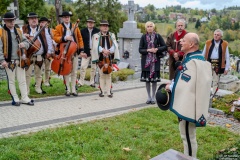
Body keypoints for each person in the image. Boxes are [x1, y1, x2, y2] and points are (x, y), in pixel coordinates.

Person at [165, 33, 212, 158]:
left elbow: (186, 85)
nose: (180, 42)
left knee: (188, 137)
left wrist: (170, 87)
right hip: (191, 104)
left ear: (191, 44)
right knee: (189, 136)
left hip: (188, 107)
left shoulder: (192, 62)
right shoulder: (197, 59)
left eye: (183, 40)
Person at [0, 12, 34, 106]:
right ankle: (15, 98)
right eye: (9, 20)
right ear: (5, 21)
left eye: (13, 20)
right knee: (11, 81)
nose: (12, 22)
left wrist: (24, 44)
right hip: (8, 61)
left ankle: (24, 98)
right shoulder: (1, 32)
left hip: (20, 59)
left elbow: (27, 41)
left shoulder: (19, 31)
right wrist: (2, 60)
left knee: (22, 80)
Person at [53, 11, 84, 96]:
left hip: (74, 52)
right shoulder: (59, 27)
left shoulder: (75, 26)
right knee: (66, 71)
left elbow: (80, 38)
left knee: (74, 71)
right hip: (64, 53)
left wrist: (81, 49)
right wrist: (65, 37)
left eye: (68, 17)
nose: (67, 18)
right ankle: (67, 89)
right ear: (62, 18)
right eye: (65, 17)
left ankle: (73, 89)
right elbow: (55, 38)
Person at [22, 13, 53, 94]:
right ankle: (26, 90)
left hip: (39, 55)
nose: (34, 20)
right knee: (27, 74)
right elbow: (19, 40)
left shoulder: (43, 29)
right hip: (28, 55)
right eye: (32, 18)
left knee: (39, 73)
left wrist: (49, 51)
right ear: (28, 20)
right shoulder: (23, 29)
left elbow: (49, 40)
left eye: (35, 18)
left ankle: (38, 88)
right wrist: (23, 35)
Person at [139, 21, 167, 104]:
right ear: (146, 28)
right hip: (146, 62)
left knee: (154, 81)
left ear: (153, 27)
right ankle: (149, 97)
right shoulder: (143, 37)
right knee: (147, 81)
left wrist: (157, 49)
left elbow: (164, 46)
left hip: (155, 62)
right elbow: (140, 49)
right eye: (148, 26)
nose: (149, 28)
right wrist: (148, 50)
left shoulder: (157, 36)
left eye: (151, 26)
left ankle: (153, 97)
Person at [91, 20, 120, 98]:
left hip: (109, 57)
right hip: (101, 57)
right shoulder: (96, 36)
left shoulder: (112, 35)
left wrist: (109, 51)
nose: (105, 27)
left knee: (109, 75)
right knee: (102, 75)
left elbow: (115, 45)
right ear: (100, 27)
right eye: (103, 26)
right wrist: (103, 50)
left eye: (106, 26)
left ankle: (109, 92)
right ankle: (102, 92)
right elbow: (95, 46)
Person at [202, 29, 230, 96]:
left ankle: (213, 94)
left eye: (218, 35)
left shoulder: (224, 44)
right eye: (215, 34)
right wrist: (201, 63)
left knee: (215, 80)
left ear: (221, 36)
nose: (216, 36)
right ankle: (205, 94)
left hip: (218, 64)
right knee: (207, 79)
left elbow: (227, 57)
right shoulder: (208, 43)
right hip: (208, 63)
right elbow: (203, 54)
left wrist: (226, 68)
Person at [78, 17, 100, 88]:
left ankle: (92, 82)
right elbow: (80, 42)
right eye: (89, 22)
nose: (90, 24)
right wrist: (81, 51)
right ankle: (81, 82)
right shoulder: (83, 31)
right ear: (87, 23)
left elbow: (99, 42)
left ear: (93, 24)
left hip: (94, 52)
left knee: (93, 68)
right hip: (85, 52)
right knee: (83, 67)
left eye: (92, 23)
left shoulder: (97, 31)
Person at [38, 17, 55, 87]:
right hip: (40, 52)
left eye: (44, 22)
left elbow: (52, 41)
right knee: (39, 69)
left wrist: (51, 51)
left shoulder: (50, 30)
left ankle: (47, 81)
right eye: (41, 22)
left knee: (48, 68)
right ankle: (39, 82)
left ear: (47, 23)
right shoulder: (38, 31)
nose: (43, 23)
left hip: (48, 51)